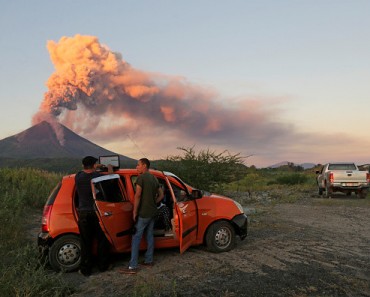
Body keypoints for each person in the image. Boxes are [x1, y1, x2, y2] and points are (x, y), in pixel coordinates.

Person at [120, 158, 163, 274]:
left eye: (138, 165)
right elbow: (161, 195)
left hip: (143, 213)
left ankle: (133, 266)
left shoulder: (141, 178)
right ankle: (149, 260)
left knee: (136, 238)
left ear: (144, 165)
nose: (136, 167)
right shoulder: (154, 178)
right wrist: (154, 202)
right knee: (149, 235)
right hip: (152, 212)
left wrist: (135, 212)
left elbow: (137, 195)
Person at [75, 156, 113, 276]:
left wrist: (94, 166)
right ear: (94, 165)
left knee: (85, 242)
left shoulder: (78, 176)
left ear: (83, 166)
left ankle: (86, 269)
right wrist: (109, 168)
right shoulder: (97, 177)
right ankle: (103, 266)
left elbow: (86, 170)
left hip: (83, 214)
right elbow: (111, 180)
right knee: (102, 239)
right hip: (96, 212)